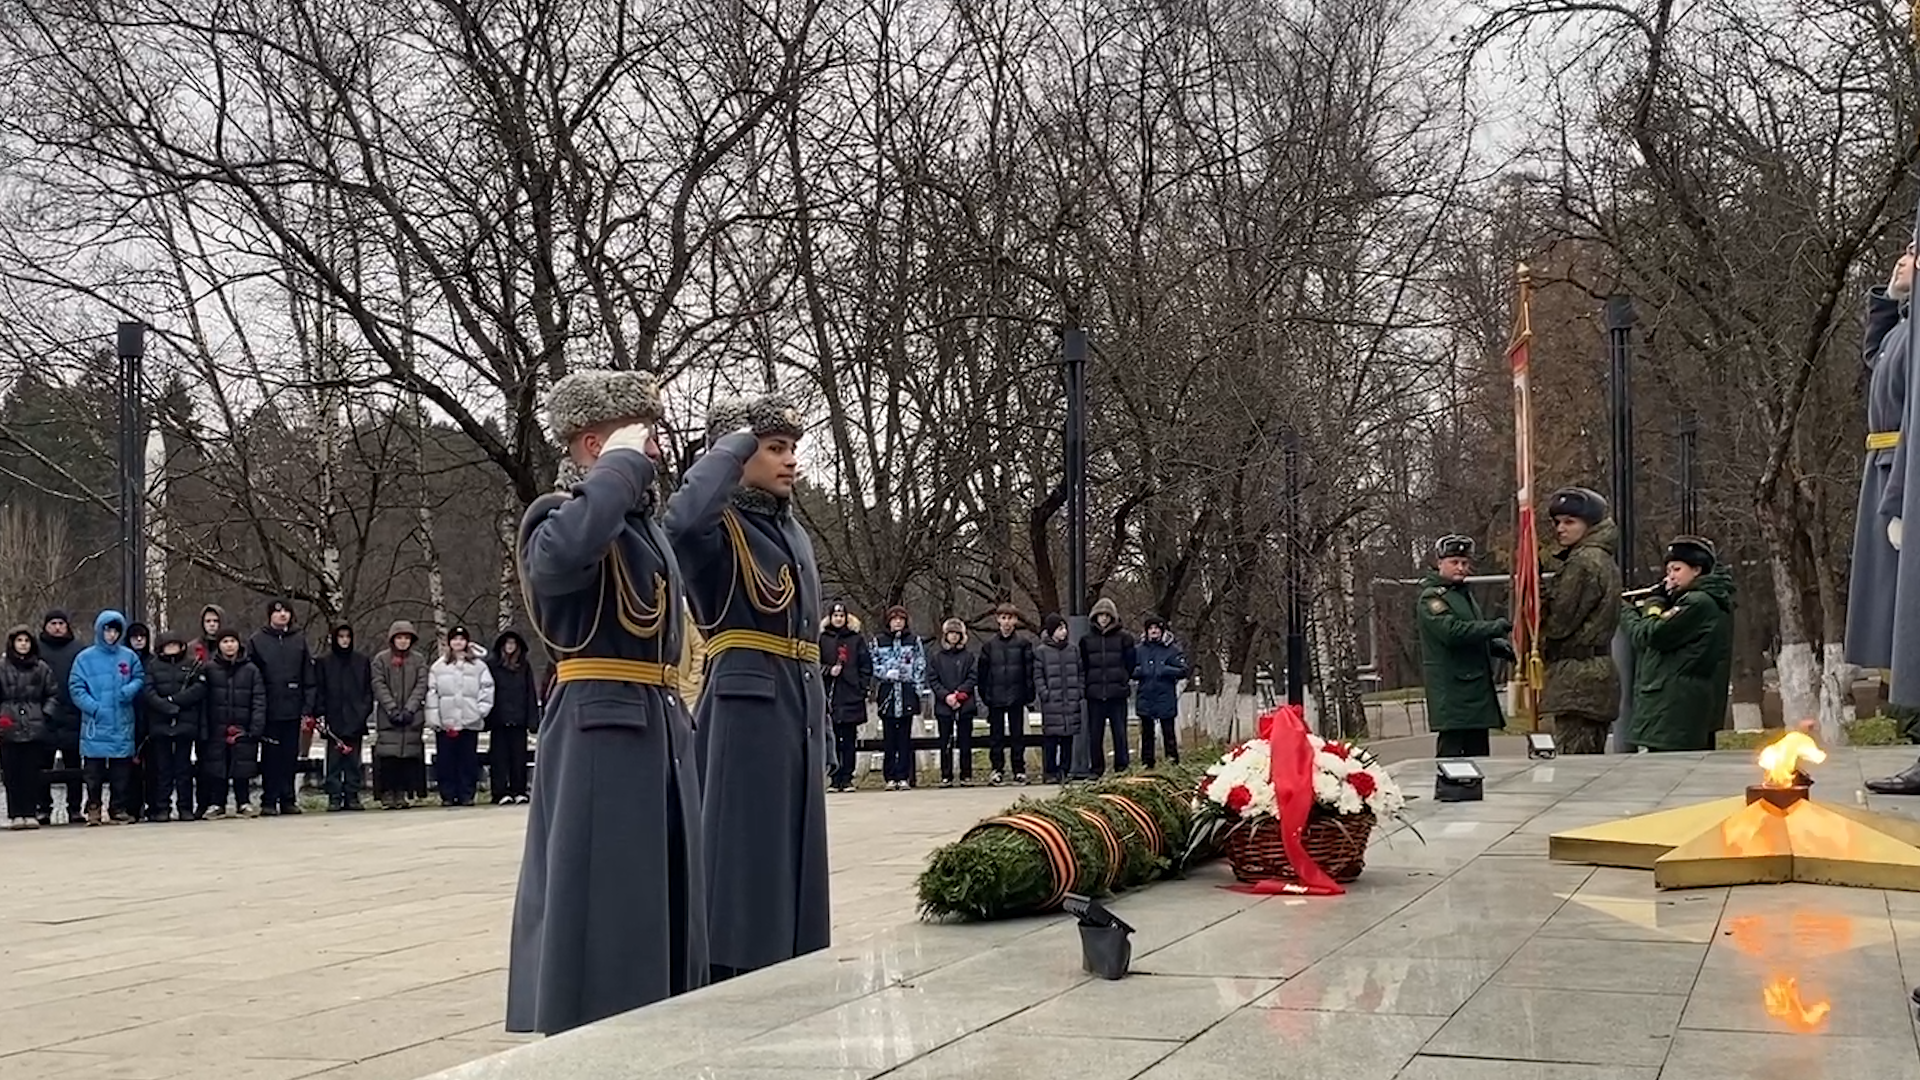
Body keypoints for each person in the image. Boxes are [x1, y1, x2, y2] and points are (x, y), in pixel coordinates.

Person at [508, 368, 708, 1034]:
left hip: (652, 717)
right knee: (602, 897)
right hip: (598, 720)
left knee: (661, 894)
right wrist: (617, 470)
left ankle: (656, 1015)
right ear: (594, 445)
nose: (653, 451)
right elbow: (561, 559)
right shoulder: (559, 516)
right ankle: (588, 1024)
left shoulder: (637, 527)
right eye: (637, 438)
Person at [664, 390, 827, 983]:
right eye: (774, 448)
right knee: (742, 859)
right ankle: (731, 972)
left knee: (793, 856)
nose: (790, 461)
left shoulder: (791, 531)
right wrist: (730, 446)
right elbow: (678, 521)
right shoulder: (719, 526)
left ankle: (792, 958)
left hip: (796, 703)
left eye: (792, 448)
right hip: (745, 706)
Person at [1847, 245, 1910, 678]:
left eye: (1915, 251)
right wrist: (1890, 300)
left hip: (1903, 470)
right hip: (1886, 466)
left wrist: (1902, 499)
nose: (1903, 255)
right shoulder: (1900, 331)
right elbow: (1877, 355)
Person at [1620, 536, 1737, 752]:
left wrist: (1650, 604)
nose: (1669, 577)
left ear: (1697, 570)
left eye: (1676, 569)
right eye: (1668, 570)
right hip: (1680, 707)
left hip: (1673, 709)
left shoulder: (1696, 602)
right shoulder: (1707, 599)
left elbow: (1649, 635)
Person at [1538, 487, 1622, 754]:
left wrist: (1539, 600)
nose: (1560, 529)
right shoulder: (1599, 557)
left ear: (1590, 524)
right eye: (1558, 522)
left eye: (1570, 522)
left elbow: (1559, 623)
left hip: (1578, 677)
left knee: (1574, 767)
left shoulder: (1583, 562)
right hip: (1591, 674)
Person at [1416, 535, 1513, 758]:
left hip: (1474, 689)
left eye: (1464, 562)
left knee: (1479, 755)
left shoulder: (1462, 595)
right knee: (1452, 757)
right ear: (1440, 563)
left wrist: (1495, 646)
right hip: (1453, 691)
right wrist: (1494, 628)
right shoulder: (1432, 598)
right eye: (1454, 562)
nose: (1460, 568)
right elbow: (1452, 632)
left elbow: (1471, 633)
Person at [70, 610, 145, 825]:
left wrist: (128, 691)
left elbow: (139, 678)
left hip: (121, 721)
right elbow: (76, 687)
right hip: (95, 722)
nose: (111, 634)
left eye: (115, 630)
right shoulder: (84, 658)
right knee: (93, 771)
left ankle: (118, 807)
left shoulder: (129, 657)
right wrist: (92, 707)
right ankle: (93, 806)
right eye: (108, 630)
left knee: (121, 770)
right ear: (100, 630)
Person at [249, 599, 315, 816]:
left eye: (286, 611)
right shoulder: (258, 641)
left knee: (289, 756)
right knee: (270, 756)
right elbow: (253, 676)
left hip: (293, 707)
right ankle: (269, 799)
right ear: (270, 615)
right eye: (278, 612)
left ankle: (288, 799)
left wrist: (307, 706)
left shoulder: (298, 640)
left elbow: (308, 674)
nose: (283, 615)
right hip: (269, 708)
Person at [200, 629, 265, 818]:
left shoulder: (251, 670)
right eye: (225, 641)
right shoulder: (210, 668)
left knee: (242, 765)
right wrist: (204, 726)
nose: (229, 645)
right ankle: (217, 803)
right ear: (219, 645)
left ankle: (243, 801)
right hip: (217, 726)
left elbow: (259, 699)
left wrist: (256, 726)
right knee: (217, 765)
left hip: (242, 726)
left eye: (232, 641)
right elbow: (203, 699)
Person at [426, 626, 494, 807]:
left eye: (461, 639)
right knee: (446, 761)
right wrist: (435, 720)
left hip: (469, 722)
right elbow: (432, 694)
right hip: (446, 723)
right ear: (449, 642)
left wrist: (479, 712)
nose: (458, 642)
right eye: (454, 639)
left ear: (466, 642)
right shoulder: (438, 666)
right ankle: (448, 795)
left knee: (468, 760)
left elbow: (487, 690)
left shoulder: (479, 666)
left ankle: (467, 794)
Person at [142, 632, 206, 822]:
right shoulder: (153, 666)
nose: (171, 649)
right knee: (163, 769)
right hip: (160, 724)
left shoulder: (192, 665)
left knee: (183, 769)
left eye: (175, 645)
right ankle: (162, 807)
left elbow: (199, 689)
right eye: (167, 645)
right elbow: (148, 691)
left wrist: (175, 702)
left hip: (184, 723)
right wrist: (165, 706)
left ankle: (185, 807)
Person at [0, 626, 57, 829]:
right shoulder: (2, 666)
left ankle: (30, 812)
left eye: (26, 641)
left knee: (31, 773)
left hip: (34, 725)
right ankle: (16, 814)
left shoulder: (41, 668)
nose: (23, 644)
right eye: (19, 641)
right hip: (8, 726)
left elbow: (52, 694)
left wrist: (45, 713)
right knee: (12, 773)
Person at [370, 620, 430, 809]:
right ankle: (388, 793)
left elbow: (421, 684)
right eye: (399, 638)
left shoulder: (418, 660)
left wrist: (410, 708)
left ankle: (403, 792)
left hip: (411, 716)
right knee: (388, 757)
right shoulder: (381, 660)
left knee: (407, 757)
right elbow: (378, 684)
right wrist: (391, 708)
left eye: (406, 638)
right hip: (389, 716)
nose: (403, 641)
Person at [315, 622, 373, 812]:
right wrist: (321, 715)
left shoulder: (361, 661)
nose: (345, 640)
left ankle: (352, 794)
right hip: (334, 719)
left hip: (356, 718)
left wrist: (362, 713)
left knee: (354, 760)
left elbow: (367, 691)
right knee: (333, 761)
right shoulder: (324, 662)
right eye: (341, 637)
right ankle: (334, 795)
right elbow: (320, 690)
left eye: (347, 637)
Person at [975, 603, 1034, 785]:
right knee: (996, 737)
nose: (1007, 622)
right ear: (998, 620)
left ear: (1016, 620)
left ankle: (1019, 769)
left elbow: (1029, 672)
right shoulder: (989, 646)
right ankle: (997, 769)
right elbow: (982, 675)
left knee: (1018, 736)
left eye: (1010, 618)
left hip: (1017, 696)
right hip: (996, 697)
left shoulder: (1024, 644)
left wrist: (1028, 695)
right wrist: (986, 696)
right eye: (1003, 618)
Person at [1079, 597, 1137, 776]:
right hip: (1095, 693)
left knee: (1119, 734)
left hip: (1116, 693)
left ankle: (1122, 767)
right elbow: (1084, 664)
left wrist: (1122, 678)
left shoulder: (1124, 638)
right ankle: (1096, 769)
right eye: (1100, 615)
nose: (1103, 618)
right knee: (1095, 735)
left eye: (1106, 615)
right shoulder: (1087, 640)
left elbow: (1130, 663)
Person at [37, 609, 84, 825]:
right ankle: (43, 808)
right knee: (42, 765)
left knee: (74, 765)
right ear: (45, 626)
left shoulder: (78, 650)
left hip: (73, 714)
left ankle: (74, 808)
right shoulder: (36, 649)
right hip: (44, 715)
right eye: (53, 623)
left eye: (61, 623)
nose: (57, 627)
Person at [818, 601, 870, 793]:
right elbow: (814, 664)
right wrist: (828, 671)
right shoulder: (822, 639)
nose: (838, 619)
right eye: (835, 615)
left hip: (851, 695)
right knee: (832, 737)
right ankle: (834, 777)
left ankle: (847, 777)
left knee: (849, 739)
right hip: (831, 695)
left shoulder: (856, 639)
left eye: (841, 616)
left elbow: (866, 666)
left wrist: (861, 688)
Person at [871, 606, 924, 791]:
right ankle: (890, 776)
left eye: (901, 619)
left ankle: (903, 776)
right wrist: (886, 673)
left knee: (904, 737)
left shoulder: (914, 640)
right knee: (889, 738)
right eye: (894, 619)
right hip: (888, 691)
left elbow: (920, 665)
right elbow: (873, 664)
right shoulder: (879, 641)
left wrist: (917, 688)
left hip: (906, 690)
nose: (898, 622)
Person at [926, 617, 979, 787]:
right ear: (945, 636)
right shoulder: (937, 657)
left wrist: (960, 694)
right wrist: (946, 696)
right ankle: (946, 775)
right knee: (945, 742)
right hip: (944, 705)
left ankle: (966, 774)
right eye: (951, 634)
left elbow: (973, 676)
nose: (954, 637)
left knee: (965, 742)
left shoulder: (969, 656)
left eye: (957, 634)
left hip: (964, 704)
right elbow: (933, 679)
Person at [486, 630, 537, 804]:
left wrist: (532, 719)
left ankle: (519, 790)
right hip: (499, 719)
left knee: (519, 757)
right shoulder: (493, 665)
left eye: (513, 643)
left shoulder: (524, 666)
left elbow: (530, 692)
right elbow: (487, 691)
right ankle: (499, 792)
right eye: (507, 643)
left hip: (519, 718)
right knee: (499, 758)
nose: (510, 646)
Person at [1033, 613, 1084, 783]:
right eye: (1060, 628)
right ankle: (1049, 772)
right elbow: (1038, 675)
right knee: (1051, 739)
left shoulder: (1073, 650)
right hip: (1052, 702)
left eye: (1065, 628)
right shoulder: (1042, 652)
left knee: (1068, 739)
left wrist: (1078, 692)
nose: (1064, 632)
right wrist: (1045, 693)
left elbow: (1080, 672)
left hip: (1070, 699)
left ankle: (1064, 770)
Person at [1132, 614, 1189, 768]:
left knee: (1168, 733)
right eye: (1150, 629)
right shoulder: (1139, 650)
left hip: (1165, 697)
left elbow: (1183, 670)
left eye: (1157, 628)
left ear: (1162, 631)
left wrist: (1165, 670)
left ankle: (1172, 763)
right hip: (1146, 696)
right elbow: (1129, 669)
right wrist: (1141, 671)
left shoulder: (1172, 650)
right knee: (1147, 734)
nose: (1154, 631)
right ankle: (1147, 764)